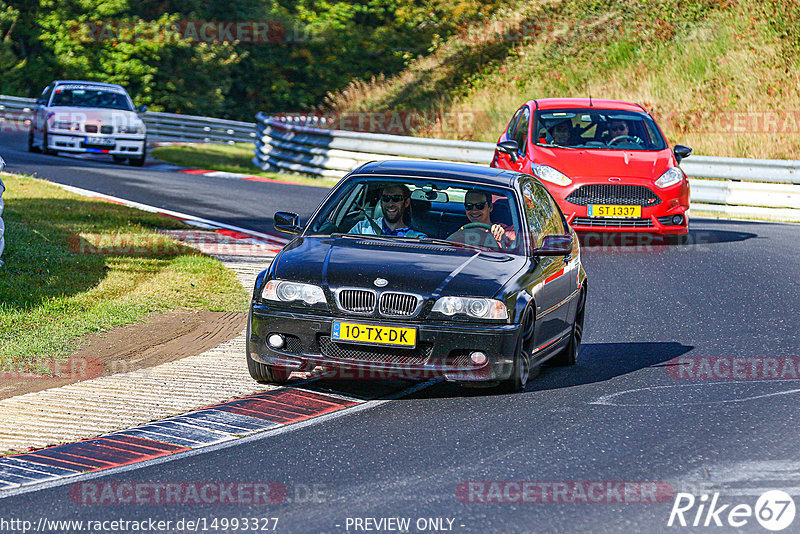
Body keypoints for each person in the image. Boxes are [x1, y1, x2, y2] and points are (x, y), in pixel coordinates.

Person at [348, 184, 426, 237]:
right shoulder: (362, 228)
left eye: (396, 198)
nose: (390, 204)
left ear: (406, 202)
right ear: (381, 202)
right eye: (386, 198)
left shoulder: (418, 239)